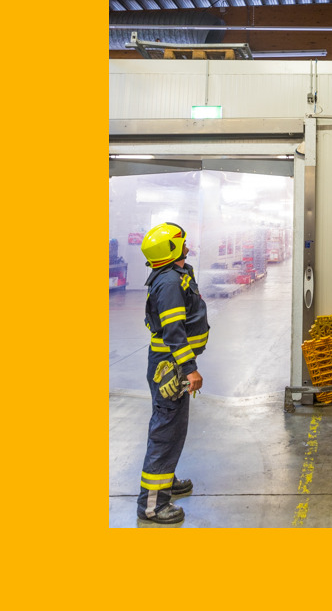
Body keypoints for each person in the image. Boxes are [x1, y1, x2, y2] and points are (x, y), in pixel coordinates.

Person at [136, 222, 210, 524]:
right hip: (171, 365)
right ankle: (152, 505)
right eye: (181, 241)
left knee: (172, 428)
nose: (187, 245)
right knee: (166, 431)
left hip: (170, 363)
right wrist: (189, 369)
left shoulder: (175, 274)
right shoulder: (168, 282)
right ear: (170, 249)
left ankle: (166, 480)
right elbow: (173, 331)